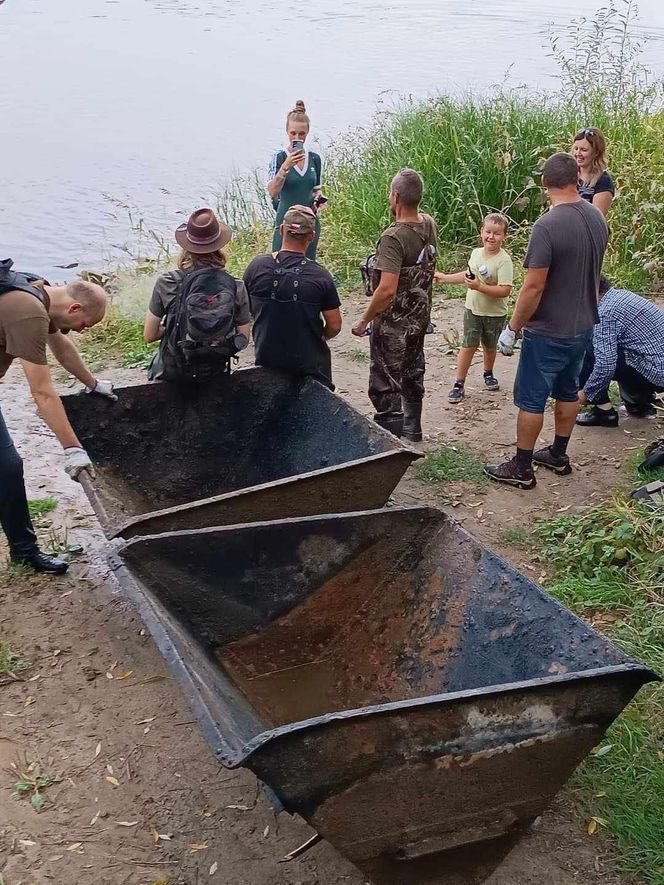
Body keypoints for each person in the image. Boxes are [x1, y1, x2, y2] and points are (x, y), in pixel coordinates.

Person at [485, 153, 609, 489]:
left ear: (544, 183)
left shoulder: (547, 226)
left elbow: (534, 286)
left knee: (532, 398)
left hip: (549, 330)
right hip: (583, 324)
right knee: (568, 391)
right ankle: (558, 453)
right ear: (578, 180)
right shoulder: (598, 218)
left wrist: (512, 328)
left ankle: (523, 467)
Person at [0, 260, 112, 573]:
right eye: (85, 325)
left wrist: (93, 384)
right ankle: (25, 551)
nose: (80, 331)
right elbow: (42, 393)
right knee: (7, 466)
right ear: (75, 308)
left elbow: (60, 346)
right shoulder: (28, 310)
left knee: (6, 469)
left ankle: (23, 552)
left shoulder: (39, 287)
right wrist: (73, 449)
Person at [352, 169, 437, 442]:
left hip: (393, 324)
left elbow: (386, 289)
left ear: (396, 197)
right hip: (419, 319)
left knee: (386, 380)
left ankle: (391, 441)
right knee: (414, 371)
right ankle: (413, 429)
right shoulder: (429, 225)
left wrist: (365, 320)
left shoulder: (393, 237)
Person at [144, 209, 251, 380]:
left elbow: (149, 335)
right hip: (215, 368)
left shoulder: (167, 282)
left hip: (175, 371)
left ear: (186, 246)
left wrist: (178, 328)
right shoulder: (235, 285)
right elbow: (243, 338)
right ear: (220, 245)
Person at [243, 205, 341, 388]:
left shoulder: (257, 266)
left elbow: (245, 309)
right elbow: (335, 325)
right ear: (311, 236)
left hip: (267, 358)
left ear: (281, 230)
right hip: (309, 365)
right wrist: (317, 336)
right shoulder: (320, 276)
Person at [435, 213, 513, 403]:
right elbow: (468, 276)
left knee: (489, 346)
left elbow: (505, 290)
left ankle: (488, 372)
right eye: (488, 232)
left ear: (504, 237)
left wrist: (480, 287)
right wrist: (444, 277)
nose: (491, 237)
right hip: (472, 309)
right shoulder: (476, 254)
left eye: (497, 233)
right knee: (468, 345)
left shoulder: (504, 260)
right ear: (481, 232)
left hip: (494, 313)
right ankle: (459, 383)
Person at [576, 275, 664, 426]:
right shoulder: (620, 296)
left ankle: (603, 411)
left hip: (656, 373)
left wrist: (585, 394)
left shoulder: (604, 312)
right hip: (656, 365)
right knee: (617, 345)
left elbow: (605, 365)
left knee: (584, 346)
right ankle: (637, 403)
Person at [267, 100, 324, 261]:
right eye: (293, 133)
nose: (297, 138)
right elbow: (272, 191)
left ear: (307, 132)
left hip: (309, 223)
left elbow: (316, 189)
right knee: (279, 264)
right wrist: (286, 167)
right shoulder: (279, 158)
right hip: (285, 223)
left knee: (309, 265)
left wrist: (320, 199)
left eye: (301, 134)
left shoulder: (314, 159)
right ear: (287, 132)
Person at [573, 127, 615, 216]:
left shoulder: (603, 180)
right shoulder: (569, 174)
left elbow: (596, 218)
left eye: (584, 150)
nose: (578, 153)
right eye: (576, 149)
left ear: (596, 152)